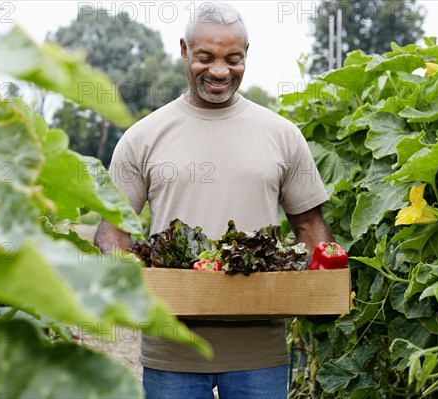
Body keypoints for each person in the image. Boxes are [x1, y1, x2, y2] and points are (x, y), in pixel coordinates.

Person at [94, 3, 334, 398]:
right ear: (185, 50)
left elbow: (309, 226)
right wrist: (126, 283)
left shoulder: (282, 135)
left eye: (232, 59)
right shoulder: (143, 137)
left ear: (246, 56)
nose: (220, 71)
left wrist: (324, 291)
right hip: (172, 352)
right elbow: (112, 233)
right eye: (205, 57)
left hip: (260, 354)